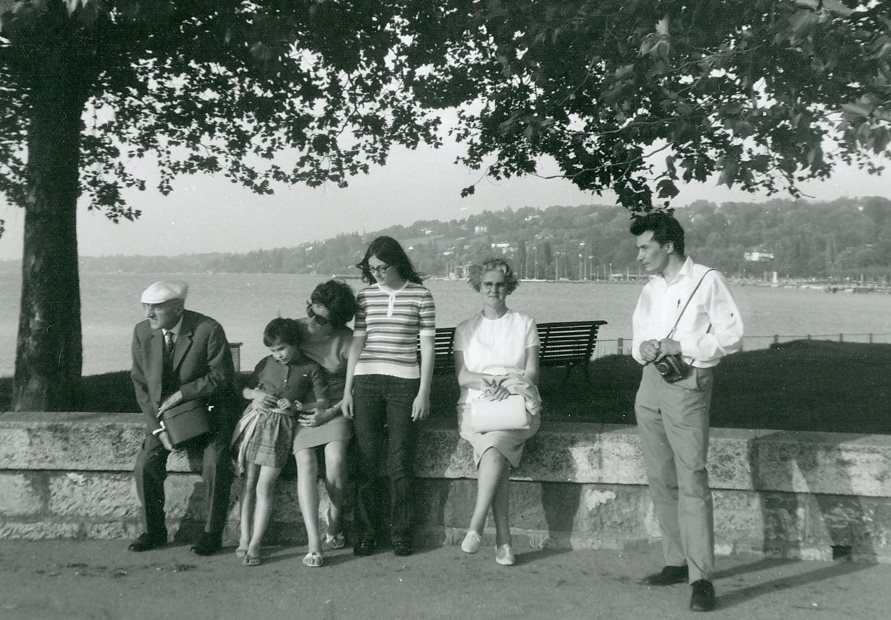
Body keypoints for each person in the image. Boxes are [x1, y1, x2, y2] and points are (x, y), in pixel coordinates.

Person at [630, 212, 744, 612]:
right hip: (651, 384)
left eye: (645, 247)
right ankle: (676, 561)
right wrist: (643, 348)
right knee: (660, 477)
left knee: (692, 478)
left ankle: (701, 579)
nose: (639, 256)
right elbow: (638, 337)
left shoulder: (706, 280)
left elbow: (732, 335)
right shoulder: (650, 288)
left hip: (689, 383)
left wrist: (683, 345)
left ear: (668, 246)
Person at [342, 236, 436, 557]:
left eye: (382, 267)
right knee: (366, 461)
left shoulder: (421, 295)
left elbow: (427, 347)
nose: (377, 273)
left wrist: (424, 392)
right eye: (372, 269)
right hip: (366, 382)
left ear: (397, 263)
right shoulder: (365, 297)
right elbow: (357, 342)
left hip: (404, 384)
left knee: (400, 461)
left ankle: (401, 533)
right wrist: (348, 389)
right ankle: (366, 534)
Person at [130, 280, 237, 556]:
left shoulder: (208, 329)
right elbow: (140, 384)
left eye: (156, 307)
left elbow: (222, 376)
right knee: (145, 464)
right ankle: (154, 531)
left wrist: (181, 394)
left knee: (215, 463)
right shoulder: (142, 332)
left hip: (209, 414)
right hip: (166, 419)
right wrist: (157, 429)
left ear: (178, 308)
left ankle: (212, 534)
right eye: (146, 306)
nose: (148, 314)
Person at [454, 258, 541, 567]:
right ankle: (503, 541)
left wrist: (506, 385)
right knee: (494, 452)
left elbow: (531, 372)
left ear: (509, 287)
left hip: (517, 406)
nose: (494, 290)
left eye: (500, 285)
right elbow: (462, 376)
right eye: (488, 284)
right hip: (476, 408)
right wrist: (489, 384)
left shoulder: (525, 324)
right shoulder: (465, 329)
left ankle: (476, 525)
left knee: (493, 448)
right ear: (479, 286)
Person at [231, 318, 327, 566]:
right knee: (248, 482)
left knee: (265, 485)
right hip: (256, 423)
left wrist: (298, 406)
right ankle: (244, 538)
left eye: (282, 349)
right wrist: (255, 394)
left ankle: (256, 543)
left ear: (295, 343)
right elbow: (243, 389)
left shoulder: (311, 368)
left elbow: (322, 402)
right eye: (273, 350)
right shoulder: (265, 364)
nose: (277, 355)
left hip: (281, 430)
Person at [291, 280, 356, 568]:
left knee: (336, 459)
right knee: (305, 462)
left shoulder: (348, 340)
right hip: (303, 409)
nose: (311, 320)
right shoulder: (296, 329)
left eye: (319, 318)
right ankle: (313, 543)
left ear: (337, 321)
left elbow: (354, 389)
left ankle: (335, 521)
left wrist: (329, 414)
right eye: (310, 310)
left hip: (336, 408)